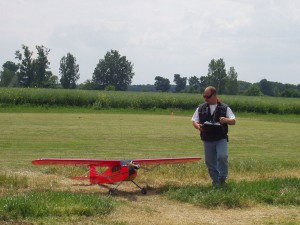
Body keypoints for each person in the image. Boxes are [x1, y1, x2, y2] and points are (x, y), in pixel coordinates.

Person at [192, 86, 236, 186]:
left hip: (221, 137)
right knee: (210, 162)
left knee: (222, 156)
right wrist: (198, 126)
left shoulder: (225, 108)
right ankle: (215, 182)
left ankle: (222, 178)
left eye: (208, 96)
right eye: (204, 96)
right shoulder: (201, 107)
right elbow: (194, 121)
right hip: (207, 138)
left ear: (215, 95)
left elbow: (233, 121)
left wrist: (226, 120)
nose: (205, 98)